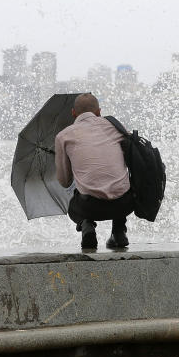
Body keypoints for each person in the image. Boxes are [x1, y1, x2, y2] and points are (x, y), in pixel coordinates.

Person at [54, 93, 133, 250]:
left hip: (89, 208)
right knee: (119, 181)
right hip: (126, 204)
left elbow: (64, 182)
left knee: (74, 198)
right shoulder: (116, 127)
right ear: (99, 112)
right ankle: (119, 231)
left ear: (73, 113)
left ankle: (87, 226)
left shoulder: (63, 136)